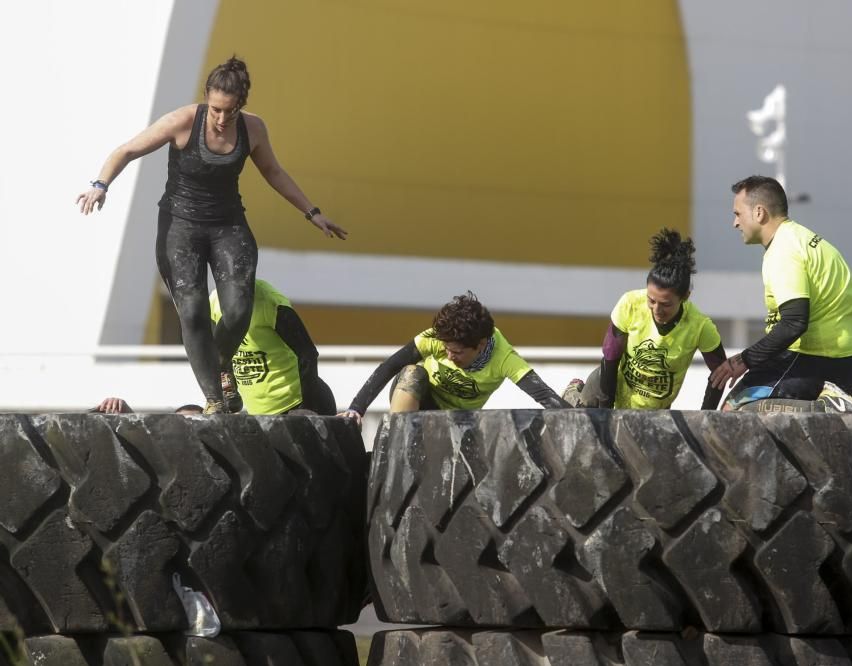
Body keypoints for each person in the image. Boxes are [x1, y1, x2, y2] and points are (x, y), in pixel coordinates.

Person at [77, 56, 348, 414]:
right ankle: (215, 399)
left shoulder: (253, 129)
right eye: (217, 109)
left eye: (231, 111)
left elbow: (274, 172)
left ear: (242, 105)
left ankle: (221, 367)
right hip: (181, 226)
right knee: (192, 311)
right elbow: (126, 150)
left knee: (238, 310)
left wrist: (312, 212)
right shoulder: (183, 121)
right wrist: (100, 185)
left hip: (227, 224)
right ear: (207, 97)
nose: (222, 119)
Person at [708, 175, 852, 411]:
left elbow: (794, 322)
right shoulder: (802, 238)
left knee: (733, 411)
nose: (735, 223)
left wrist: (744, 360)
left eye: (737, 214)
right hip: (850, 359)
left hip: (814, 358)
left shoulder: (783, 251)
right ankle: (827, 406)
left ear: (759, 213)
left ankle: (829, 408)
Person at [340, 292, 569, 424]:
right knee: (412, 373)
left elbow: (543, 395)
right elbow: (389, 367)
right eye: (447, 349)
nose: (449, 356)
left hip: (458, 421)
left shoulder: (504, 358)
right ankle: (396, 442)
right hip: (418, 404)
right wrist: (356, 409)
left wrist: (592, 420)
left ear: (479, 345)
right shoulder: (437, 338)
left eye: (457, 352)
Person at [563, 228, 727, 410]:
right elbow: (610, 358)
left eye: (665, 304)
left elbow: (720, 373)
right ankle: (575, 394)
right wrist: (606, 416)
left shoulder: (700, 326)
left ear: (685, 297)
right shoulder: (630, 304)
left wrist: (704, 418)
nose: (657, 310)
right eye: (651, 300)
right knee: (587, 415)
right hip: (609, 390)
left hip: (654, 410)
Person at [210, 278, 336, 415]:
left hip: (297, 404)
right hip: (259, 413)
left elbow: (308, 353)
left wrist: (307, 409)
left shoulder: (269, 301)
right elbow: (219, 352)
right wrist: (230, 390)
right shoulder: (214, 300)